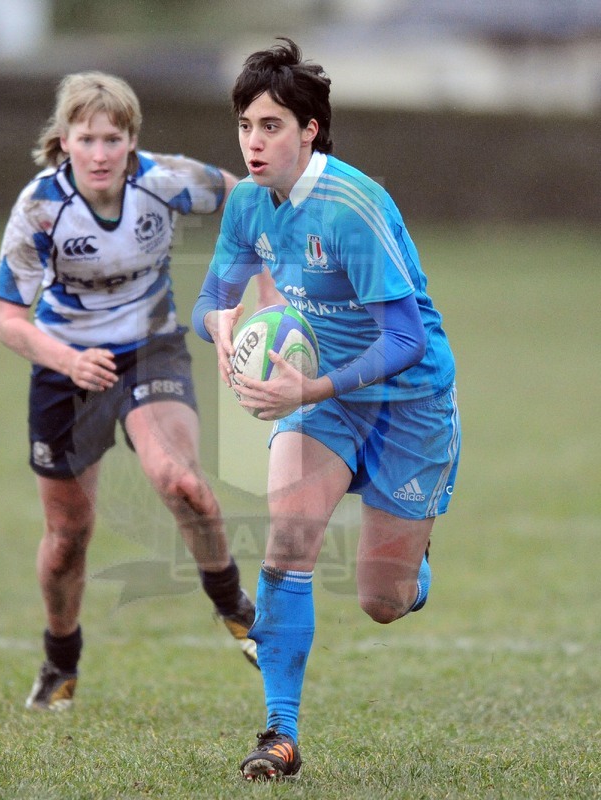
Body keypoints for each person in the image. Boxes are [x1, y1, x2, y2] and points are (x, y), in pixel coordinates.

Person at [192, 39, 461, 780]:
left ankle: (415, 562)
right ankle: (280, 735)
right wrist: (222, 327)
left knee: (383, 599)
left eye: (272, 125)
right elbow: (211, 300)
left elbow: (406, 339)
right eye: (247, 124)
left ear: (310, 129)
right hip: (320, 402)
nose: (254, 141)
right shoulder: (249, 204)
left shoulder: (352, 206)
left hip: (409, 401)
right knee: (289, 540)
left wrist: (307, 388)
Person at [0, 71, 278, 711]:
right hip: (66, 369)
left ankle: (234, 605)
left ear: (131, 142)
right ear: (63, 140)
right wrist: (68, 360)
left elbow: (251, 200)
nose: (99, 153)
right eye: (86, 138)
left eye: (112, 138)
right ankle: (60, 663)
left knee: (182, 483)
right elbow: (9, 319)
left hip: (152, 350)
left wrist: (265, 290)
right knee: (69, 537)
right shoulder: (41, 207)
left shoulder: (163, 179)